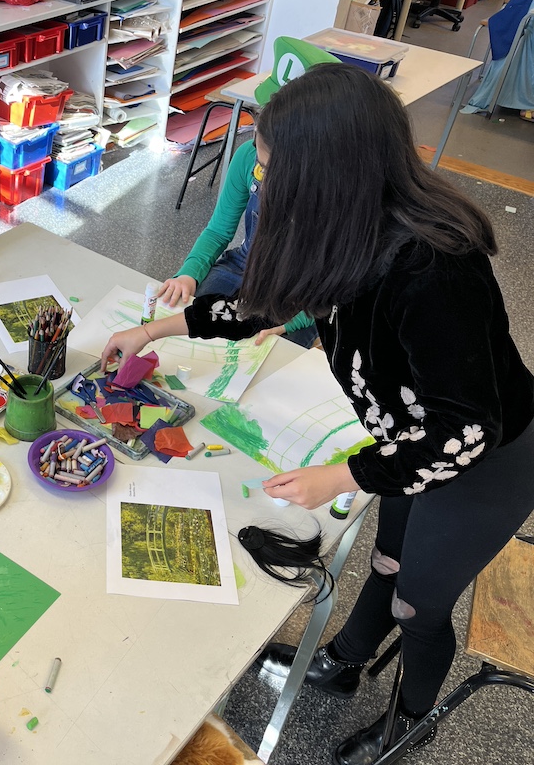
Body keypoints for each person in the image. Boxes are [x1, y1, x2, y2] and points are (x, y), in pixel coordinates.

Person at [101, 63, 534, 765]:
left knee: (419, 603)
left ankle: (411, 722)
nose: (261, 183)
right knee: (387, 559)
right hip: (408, 440)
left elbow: (465, 431)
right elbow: (262, 306)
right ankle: (346, 659)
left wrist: (343, 476)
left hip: (488, 456)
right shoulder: (343, 226)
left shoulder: (432, 268)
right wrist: (155, 330)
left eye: (271, 170)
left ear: (325, 174)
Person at [159, 38, 341, 349]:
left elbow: (333, 287)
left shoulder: (336, 190)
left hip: (302, 295)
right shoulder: (247, 156)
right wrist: (188, 274)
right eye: (260, 120)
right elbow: (218, 231)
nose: (257, 136)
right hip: (244, 267)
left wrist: (292, 324)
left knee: (265, 356)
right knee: (193, 332)